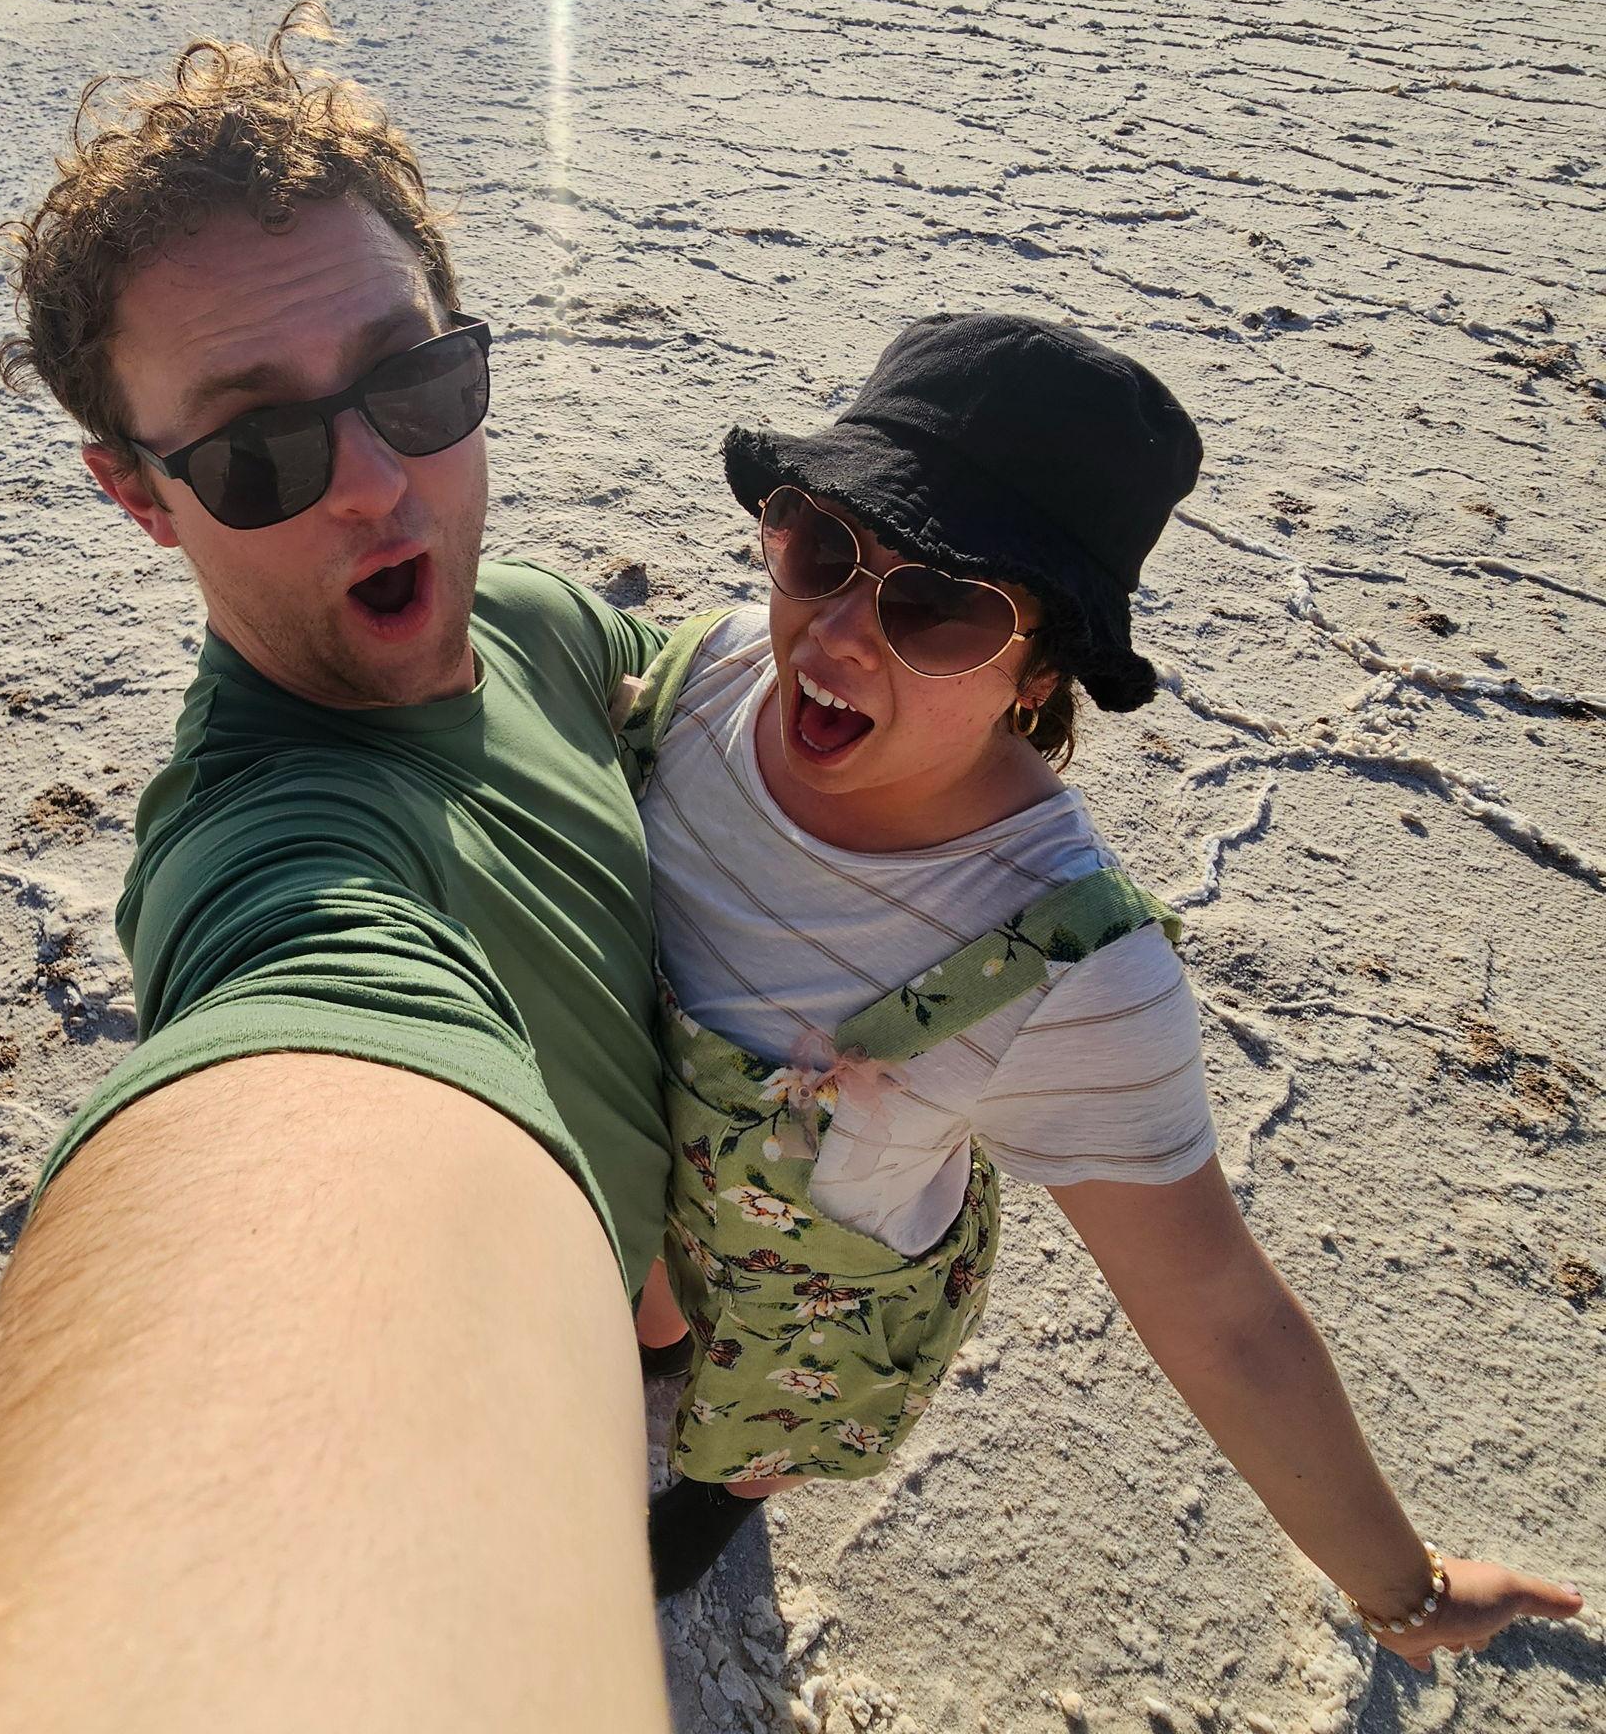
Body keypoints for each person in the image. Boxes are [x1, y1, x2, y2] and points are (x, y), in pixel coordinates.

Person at [0, 9, 676, 1731]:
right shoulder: (271, 849)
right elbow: (305, 1066)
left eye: (415, 383)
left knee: (663, 1335)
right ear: (141, 498)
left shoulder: (539, 619)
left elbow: (701, 696)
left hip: (665, 1214)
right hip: (543, 1273)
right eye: (260, 450)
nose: (378, 484)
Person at [631, 311, 1587, 1668]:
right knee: (656, 1304)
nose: (836, 633)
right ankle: (661, 1342)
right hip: (653, 1171)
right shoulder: (710, 675)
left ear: (1039, 672)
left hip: (818, 1286)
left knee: (751, 1429)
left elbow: (1223, 1316)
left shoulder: (1065, 967)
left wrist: (1407, 1591)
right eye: (824, 546)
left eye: (939, 604)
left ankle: (718, 1496)